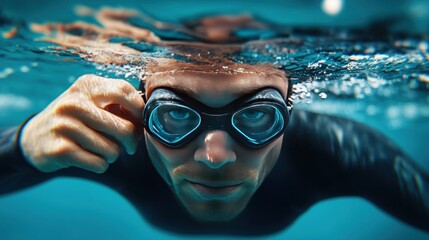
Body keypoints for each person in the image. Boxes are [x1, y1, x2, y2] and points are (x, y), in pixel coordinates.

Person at [1, 7, 429, 237]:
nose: (217, 157)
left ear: (291, 109)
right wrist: (22, 144)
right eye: (174, 116)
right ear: (140, 107)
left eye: (257, 116)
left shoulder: (332, 149)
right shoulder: (109, 137)